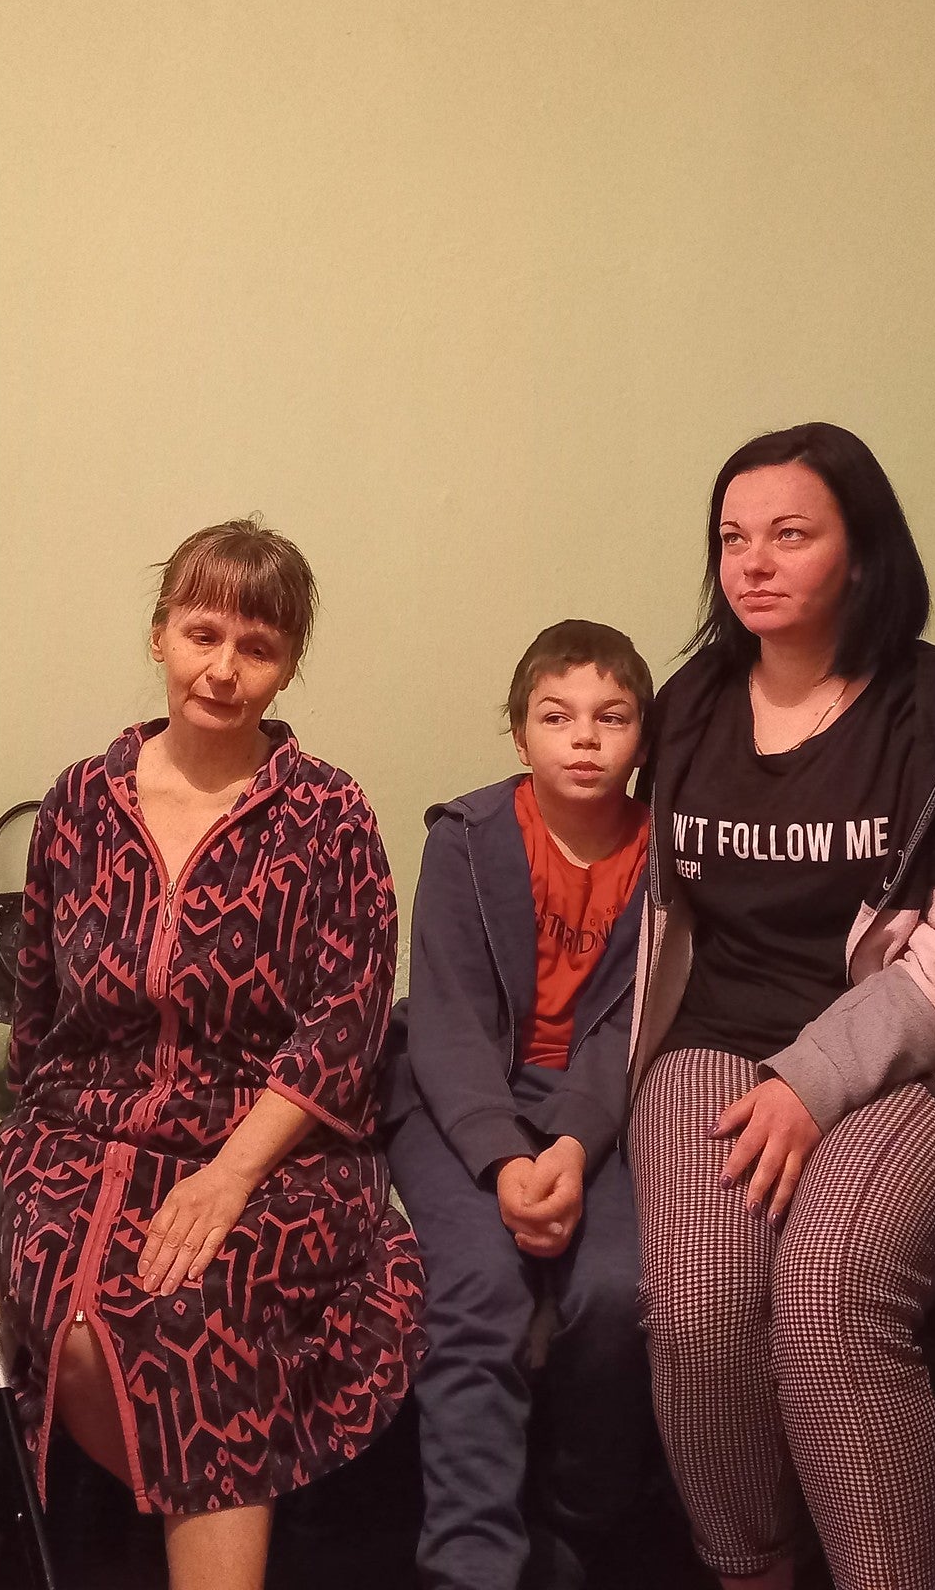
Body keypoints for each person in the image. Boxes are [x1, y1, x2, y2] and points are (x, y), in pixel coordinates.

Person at [626, 423, 935, 1590]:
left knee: (827, 1302)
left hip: (913, 1056)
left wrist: (810, 1081)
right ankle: (752, 1569)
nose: (752, 562)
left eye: (789, 535)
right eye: (731, 539)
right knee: (703, 1314)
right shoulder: (691, 706)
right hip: (714, 1041)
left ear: (860, 555)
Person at [0, 520, 422, 1590]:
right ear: (159, 638)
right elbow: (36, 1008)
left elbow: (347, 1023)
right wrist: (28, 1149)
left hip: (271, 1144)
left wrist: (229, 1175)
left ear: (287, 668)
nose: (223, 669)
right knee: (82, 1322)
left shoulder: (328, 815)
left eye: (257, 646)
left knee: (195, 1308)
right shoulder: (78, 804)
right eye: (201, 633)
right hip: (79, 1134)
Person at [384, 620, 660, 1590]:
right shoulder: (465, 840)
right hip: (458, 1102)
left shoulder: (667, 862)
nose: (583, 738)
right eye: (557, 717)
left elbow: (625, 1033)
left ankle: (572, 1530)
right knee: (481, 1290)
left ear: (643, 735)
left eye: (610, 717)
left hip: (598, 1112)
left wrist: (575, 1150)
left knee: (619, 1291)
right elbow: (448, 1025)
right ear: (519, 734)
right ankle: (469, 1562)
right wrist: (505, 1163)